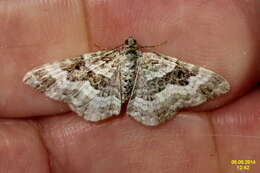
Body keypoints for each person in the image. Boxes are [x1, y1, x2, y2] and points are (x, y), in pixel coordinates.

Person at [0, 0, 259, 172]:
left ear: (125, 48)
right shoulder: (157, 60)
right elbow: (44, 77)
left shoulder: (104, 58)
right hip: (144, 87)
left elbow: (213, 85)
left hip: (109, 84)